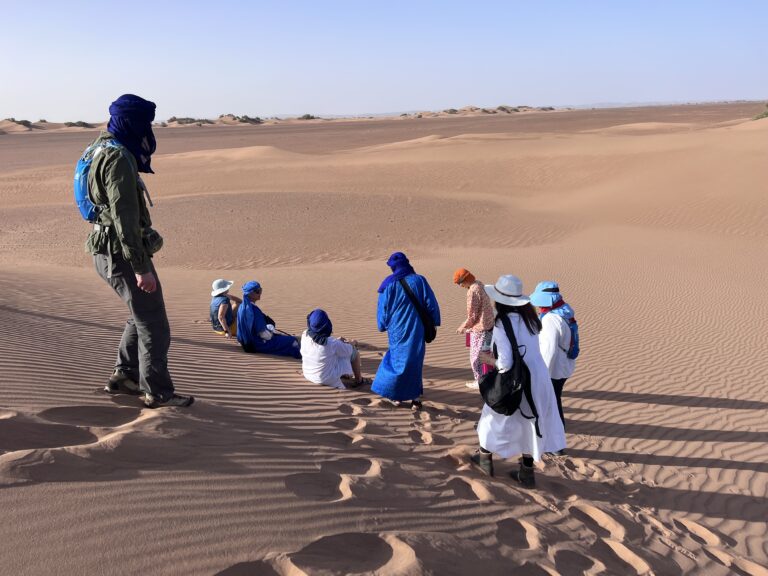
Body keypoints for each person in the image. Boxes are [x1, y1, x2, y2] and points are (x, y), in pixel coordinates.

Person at [87, 94, 193, 408]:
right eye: (144, 123)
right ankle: (157, 392)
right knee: (155, 325)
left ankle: (124, 377)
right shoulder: (119, 157)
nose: (148, 131)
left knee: (140, 316)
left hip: (103, 249)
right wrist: (140, 266)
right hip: (121, 253)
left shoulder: (98, 148)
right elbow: (125, 219)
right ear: (132, 122)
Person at [470, 275, 565, 487]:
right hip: (537, 378)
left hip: (515, 380)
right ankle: (526, 472)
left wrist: (487, 359)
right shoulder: (531, 319)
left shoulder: (502, 323)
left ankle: (485, 460)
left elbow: (505, 363)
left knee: (493, 417)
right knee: (530, 423)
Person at [372, 252, 441, 409]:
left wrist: (382, 325)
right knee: (414, 362)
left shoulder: (387, 284)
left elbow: (383, 309)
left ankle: (396, 396)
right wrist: (434, 322)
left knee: (397, 361)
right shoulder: (419, 280)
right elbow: (431, 303)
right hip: (416, 329)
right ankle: (415, 399)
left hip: (396, 330)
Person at [530, 281, 577, 431]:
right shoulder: (564, 310)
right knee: (554, 400)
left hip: (553, 369)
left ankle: (556, 441)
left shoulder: (550, 319)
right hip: (563, 365)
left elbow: (548, 351)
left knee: (551, 402)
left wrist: (541, 375)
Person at [300, 309, 372, 389]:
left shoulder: (304, 334)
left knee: (333, 354)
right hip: (324, 379)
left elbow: (325, 346)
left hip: (308, 373)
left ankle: (344, 375)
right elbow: (349, 350)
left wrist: (337, 341)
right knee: (354, 352)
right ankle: (359, 380)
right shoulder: (331, 343)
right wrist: (353, 343)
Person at [453, 267, 495, 390]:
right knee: (486, 354)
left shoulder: (472, 290)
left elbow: (472, 315)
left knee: (475, 358)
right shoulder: (479, 283)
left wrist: (463, 327)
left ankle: (479, 381)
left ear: (465, 280)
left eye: (460, 283)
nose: (460, 286)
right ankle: (486, 380)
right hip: (489, 327)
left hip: (480, 329)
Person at [236, 281, 301, 358]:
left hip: (246, 342)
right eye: (257, 291)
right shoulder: (253, 311)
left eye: (260, 290)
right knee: (292, 341)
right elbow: (264, 335)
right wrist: (271, 333)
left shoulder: (242, 307)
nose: (260, 293)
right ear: (250, 294)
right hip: (257, 344)